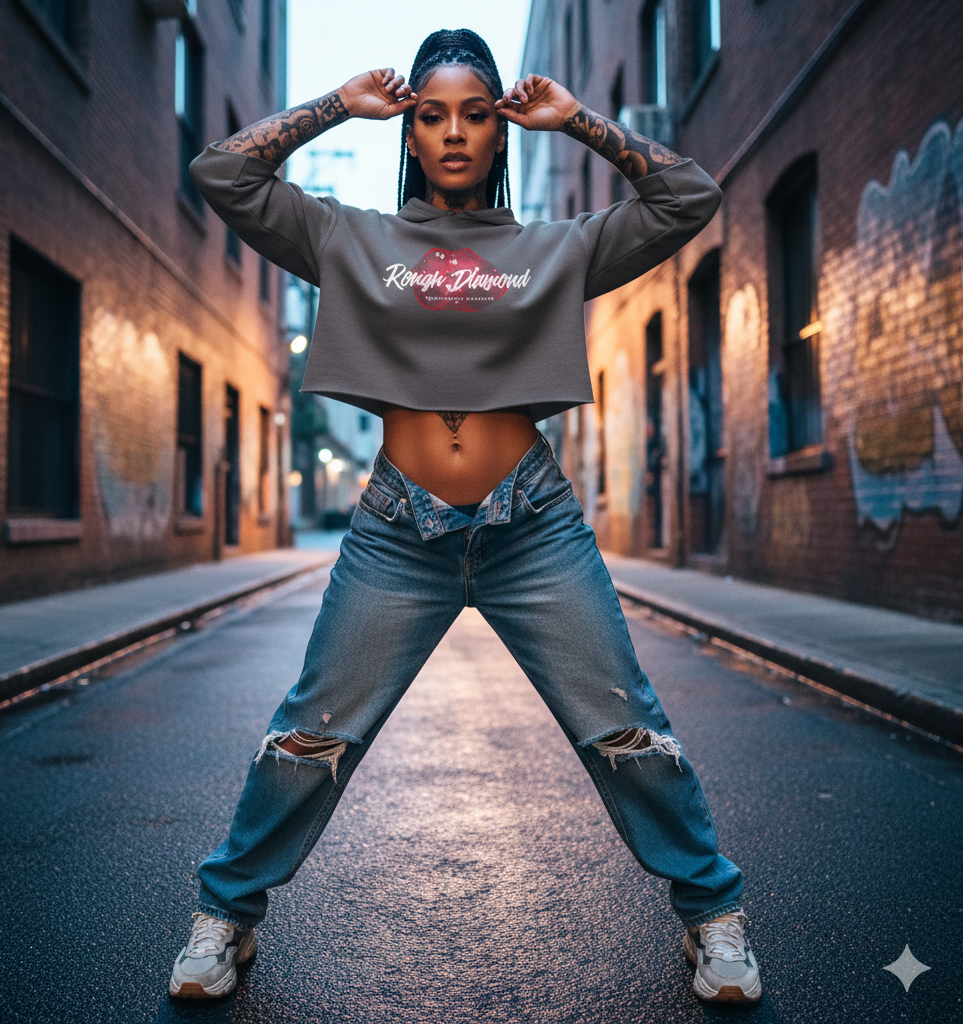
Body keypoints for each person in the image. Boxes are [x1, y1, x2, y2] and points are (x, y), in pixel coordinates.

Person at [170, 28, 762, 1005]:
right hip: (396, 534)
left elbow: (687, 196)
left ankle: (713, 917)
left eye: (475, 115)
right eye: (432, 113)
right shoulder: (348, 236)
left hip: (533, 528)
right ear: (410, 131)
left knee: (625, 731)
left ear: (499, 134)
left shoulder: (554, 250)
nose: (453, 132)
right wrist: (335, 106)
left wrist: (576, 120)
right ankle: (225, 916)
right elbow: (220, 174)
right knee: (310, 735)